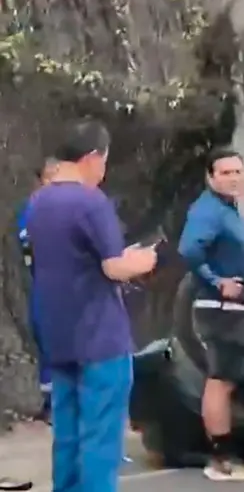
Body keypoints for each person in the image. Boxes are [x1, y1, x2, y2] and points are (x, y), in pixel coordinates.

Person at [28, 119, 158, 492]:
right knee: (101, 442)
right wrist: (144, 261)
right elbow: (113, 266)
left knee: (67, 436)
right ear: (91, 157)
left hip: (59, 336)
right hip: (100, 337)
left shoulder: (39, 203)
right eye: (104, 160)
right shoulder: (90, 200)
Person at [177, 148, 244, 481]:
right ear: (210, 177)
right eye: (225, 173)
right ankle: (222, 459)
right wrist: (218, 281)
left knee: (223, 381)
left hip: (233, 307)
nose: (233, 178)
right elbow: (188, 249)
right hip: (220, 308)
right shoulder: (208, 211)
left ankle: (223, 456)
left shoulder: (227, 210)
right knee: (220, 381)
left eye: (238, 171)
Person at [18, 158, 58, 421]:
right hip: (47, 287)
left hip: (61, 288)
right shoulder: (33, 209)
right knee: (48, 344)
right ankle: (51, 404)